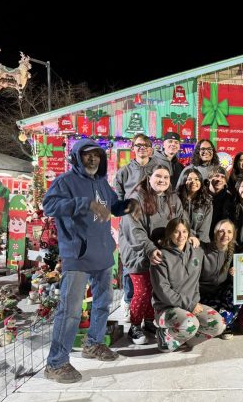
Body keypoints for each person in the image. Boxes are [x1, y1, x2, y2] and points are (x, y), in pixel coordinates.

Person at [43, 139, 138, 383]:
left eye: (96, 155)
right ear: (76, 157)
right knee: (70, 311)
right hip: (77, 256)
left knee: (104, 303)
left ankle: (93, 344)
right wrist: (83, 204)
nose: (93, 159)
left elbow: (112, 208)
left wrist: (128, 205)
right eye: (87, 155)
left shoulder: (102, 183)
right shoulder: (65, 181)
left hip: (103, 254)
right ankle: (56, 363)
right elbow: (49, 205)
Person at [119, 165, 185, 345]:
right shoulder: (135, 198)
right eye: (158, 176)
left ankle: (148, 322)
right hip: (138, 253)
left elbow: (180, 221)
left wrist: (189, 236)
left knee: (154, 290)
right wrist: (148, 249)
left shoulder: (172, 199)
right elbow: (135, 230)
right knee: (143, 291)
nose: (162, 180)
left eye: (166, 177)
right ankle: (134, 325)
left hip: (160, 252)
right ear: (149, 177)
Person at [150, 218, 225, 352]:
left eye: (184, 231)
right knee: (191, 323)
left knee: (219, 324)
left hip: (191, 307)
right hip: (166, 309)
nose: (181, 236)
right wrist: (189, 305)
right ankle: (164, 337)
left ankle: (185, 339)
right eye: (176, 232)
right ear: (169, 234)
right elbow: (163, 291)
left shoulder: (197, 251)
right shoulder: (161, 257)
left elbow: (216, 249)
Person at [114, 134, 157, 322]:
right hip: (130, 223)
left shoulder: (157, 169)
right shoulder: (123, 172)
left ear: (150, 149)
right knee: (131, 262)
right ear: (133, 148)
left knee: (151, 265)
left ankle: (148, 310)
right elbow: (117, 202)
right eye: (138, 145)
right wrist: (130, 214)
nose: (142, 148)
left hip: (153, 222)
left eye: (145, 145)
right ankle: (128, 301)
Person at [200, 219, 239, 340]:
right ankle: (214, 322)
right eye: (221, 231)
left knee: (238, 293)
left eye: (229, 232)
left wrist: (234, 276)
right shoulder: (203, 250)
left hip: (219, 293)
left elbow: (232, 282)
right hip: (202, 295)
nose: (225, 235)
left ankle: (226, 325)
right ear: (215, 232)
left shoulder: (232, 252)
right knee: (216, 316)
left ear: (233, 235)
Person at [175, 166, 213, 243]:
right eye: (189, 179)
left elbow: (204, 231)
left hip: (199, 243)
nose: (193, 182)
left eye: (197, 179)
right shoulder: (175, 200)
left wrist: (199, 244)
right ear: (183, 181)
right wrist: (190, 236)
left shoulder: (207, 202)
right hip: (179, 240)